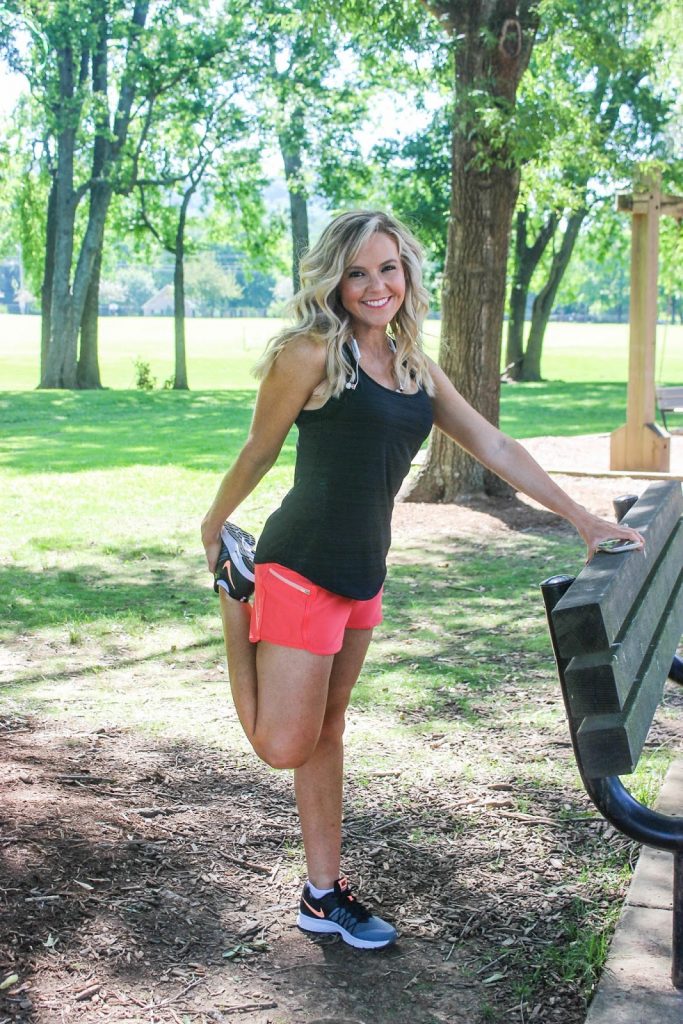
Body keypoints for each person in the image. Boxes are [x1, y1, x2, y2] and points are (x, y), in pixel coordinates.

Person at [201, 210, 644, 951]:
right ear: (334, 281)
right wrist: (215, 524)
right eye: (356, 273)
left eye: (388, 268)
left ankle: (322, 895)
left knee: (328, 729)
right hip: (301, 566)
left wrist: (580, 516)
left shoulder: (413, 366)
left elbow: (493, 443)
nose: (375, 285)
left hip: (362, 575)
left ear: (406, 273)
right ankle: (232, 597)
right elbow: (258, 449)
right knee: (283, 744)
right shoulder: (311, 353)